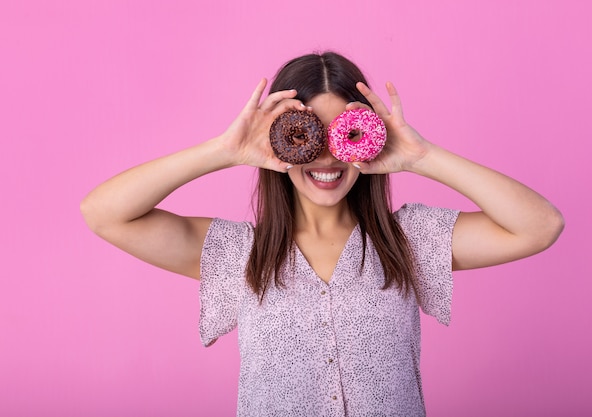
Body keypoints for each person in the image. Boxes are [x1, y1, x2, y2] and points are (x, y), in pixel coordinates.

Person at [81, 51, 564, 416]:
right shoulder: (237, 255)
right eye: (306, 135)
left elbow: (540, 226)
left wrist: (422, 157)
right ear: (278, 141)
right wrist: (224, 149)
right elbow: (104, 213)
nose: (327, 156)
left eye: (343, 134)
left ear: (368, 138)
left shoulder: (409, 241)